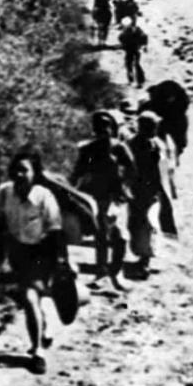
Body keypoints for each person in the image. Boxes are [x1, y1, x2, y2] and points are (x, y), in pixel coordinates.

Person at [0, 149, 70, 375]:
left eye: (24, 170)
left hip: (42, 252)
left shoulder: (44, 196)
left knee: (29, 296)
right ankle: (43, 325)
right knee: (31, 297)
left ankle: (37, 352)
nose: (19, 174)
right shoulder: (4, 192)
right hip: (17, 251)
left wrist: (61, 261)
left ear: (35, 173)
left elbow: (55, 230)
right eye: (16, 170)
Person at [70, 111, 134, 286]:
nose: (103, 130)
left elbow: (132, 170)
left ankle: (116, 271)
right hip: (96, 197)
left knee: (120, 235)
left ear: (112, 128)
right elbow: (78, 172)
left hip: (116, 197)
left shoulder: (119, 148)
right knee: (101, 235)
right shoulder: (88, 149)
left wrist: (125, 188)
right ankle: (101, 271)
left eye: (106, 125)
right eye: (99, 126)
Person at [125, 111, 175, 279]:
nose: (155, 129)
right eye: (153, 126)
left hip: (148, 192)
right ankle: (141, 255)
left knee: (147, 224)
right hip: (139, 190)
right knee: (136, 223)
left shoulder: (154, 144)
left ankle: (144, 260)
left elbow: (163, 169)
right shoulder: (136, 144)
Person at [141, 80, 190, 163]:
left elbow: (184, 105)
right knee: (162, 145)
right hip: (164, 122)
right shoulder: (155, 100)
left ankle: (173, 158)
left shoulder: (178, 96)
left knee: (177, 143)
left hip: (176, 121)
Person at [118, 17, 148, 87]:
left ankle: (137, 81)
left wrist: (143, 46)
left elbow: (121, 38)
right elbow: (144, 37)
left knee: (133, 65)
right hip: (132, 50)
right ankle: (136, 80)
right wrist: (144, 45)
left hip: (133, 50)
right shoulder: (134, 30)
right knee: (131, 65)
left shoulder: (132, 30)